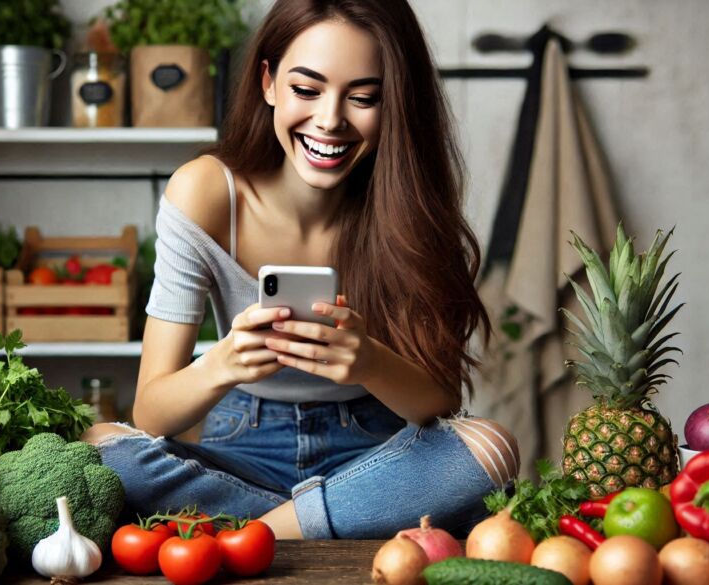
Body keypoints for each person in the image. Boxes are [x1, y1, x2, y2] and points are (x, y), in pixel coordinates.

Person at [82, 0, 519, 540]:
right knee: (101, 450)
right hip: (243, 444)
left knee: (491, 449)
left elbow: (440, 400)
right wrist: (221, 364)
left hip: (375, 454)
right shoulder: (205, 192)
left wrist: (367, 360)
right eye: (306, 90)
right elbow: (149, 413)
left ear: (396, 105)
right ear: (268, 82)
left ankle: (259, 533)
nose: (330, 120)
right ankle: (332, 522)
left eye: (363, 98)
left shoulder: (409, 207)